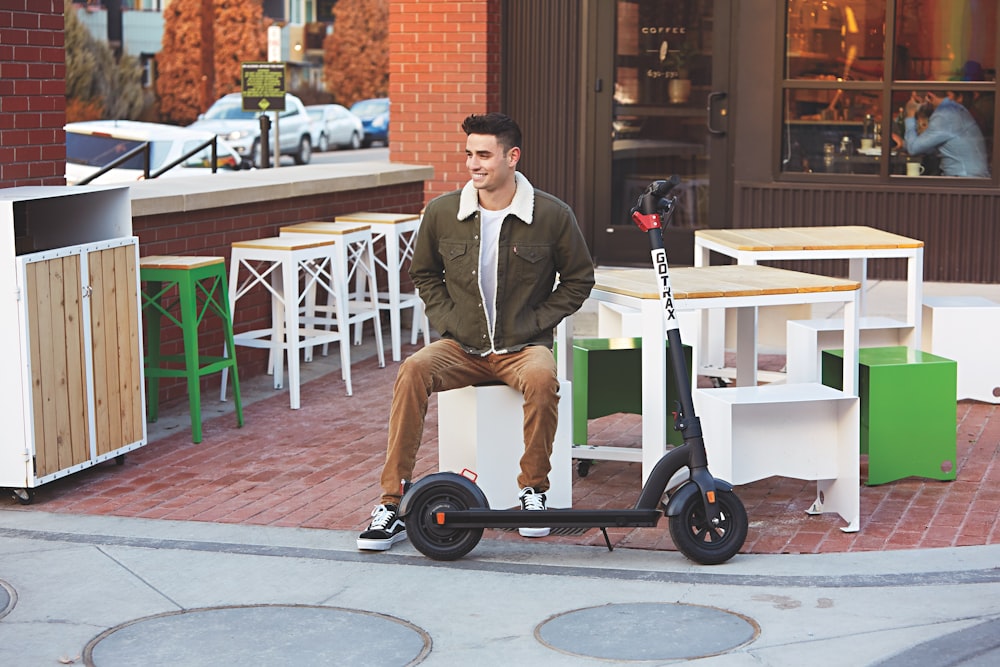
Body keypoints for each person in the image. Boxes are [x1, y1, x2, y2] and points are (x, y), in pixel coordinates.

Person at [357, 112, 596, 551]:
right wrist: (450, 322)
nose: (472, 164)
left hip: (522, 348)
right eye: (469, 154)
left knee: (544, 379)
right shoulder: (443, 212)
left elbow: (579, 279)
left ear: (512, 157)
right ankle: (391, 503)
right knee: (412, 370)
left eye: (484, 154)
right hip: (461, 346)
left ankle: (533, 493)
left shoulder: (551, 215)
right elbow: (424, 274)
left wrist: (537, 321)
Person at [898, 91, 989, 177]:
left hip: (964, 180)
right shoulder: (954, 108)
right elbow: (929, 146)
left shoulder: (944, 115)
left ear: (929, 96)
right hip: (969, 177)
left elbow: (913, 149)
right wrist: (903, 143)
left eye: (918, 101)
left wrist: (910, 114)